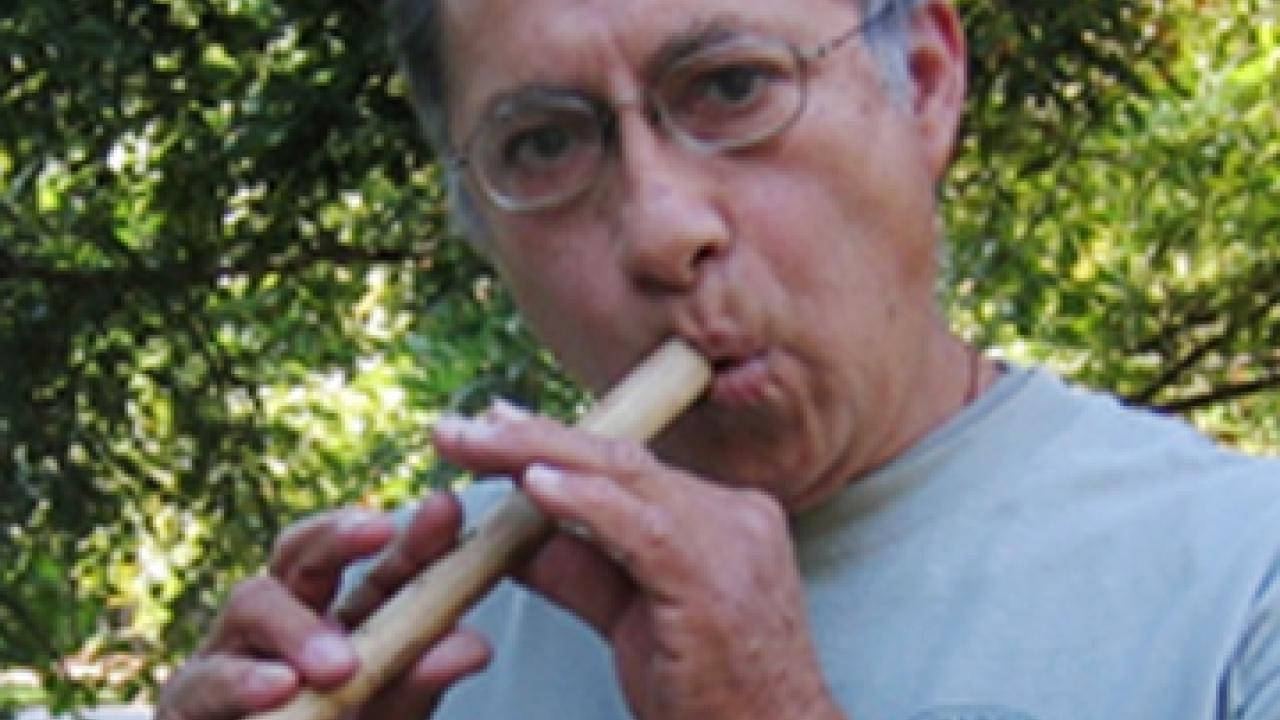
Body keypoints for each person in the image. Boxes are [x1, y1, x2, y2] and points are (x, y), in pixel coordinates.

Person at [157, 0, 1280, 718]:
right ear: (472, 221)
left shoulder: (1242, 587)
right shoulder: (406, 644)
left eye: (732, 87)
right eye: (543, 144)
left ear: (925, 86)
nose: (658, 229)